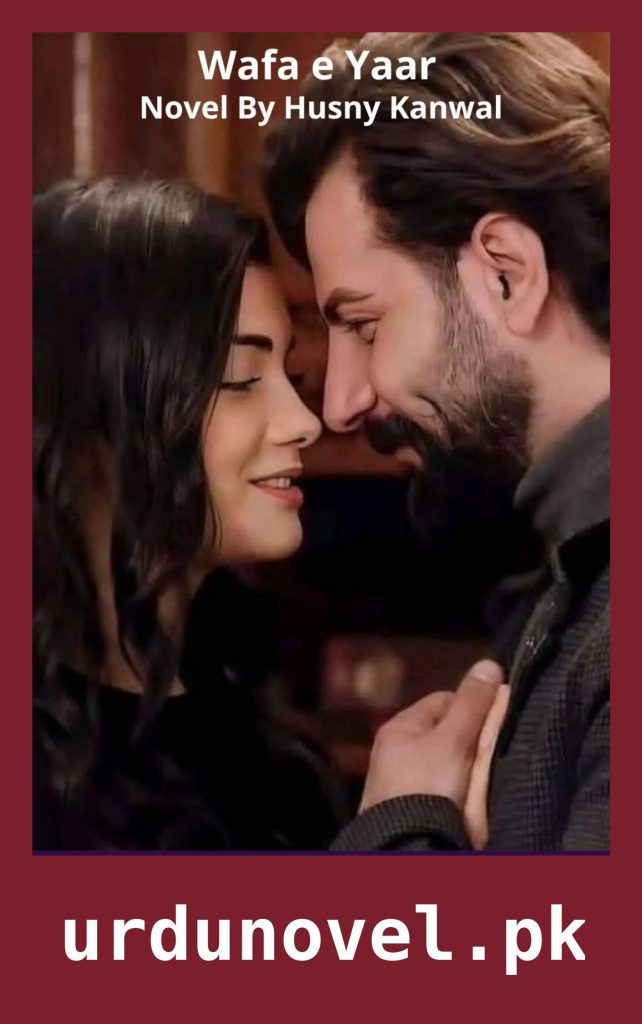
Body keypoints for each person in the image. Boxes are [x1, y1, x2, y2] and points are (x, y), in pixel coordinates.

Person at [264, 31, 610, 850]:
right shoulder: (571, 583)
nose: (340, 402)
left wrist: (402, 827)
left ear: (507, 272)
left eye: (363, 325)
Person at [33, 178, 345, 851]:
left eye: (290, 374)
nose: (303, 421)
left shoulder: (262, 752)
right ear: (97, 411)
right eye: (241, 378)